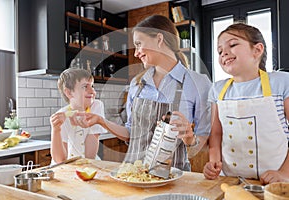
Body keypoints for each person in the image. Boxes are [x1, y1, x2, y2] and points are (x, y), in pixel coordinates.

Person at [72, 15, 211, 171]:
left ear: (159, 39)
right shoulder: (136, 85)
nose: (136, 53)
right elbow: (131, 133)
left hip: (175, 178)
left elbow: (205, 142)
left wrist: (189, 138)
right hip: (135, 174)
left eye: (139, 44)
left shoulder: (198, 83)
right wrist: (101, 121)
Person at [203, 23, 289, 184]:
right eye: (219, 51)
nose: (224, 53)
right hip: (230, 180)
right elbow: (216, 133)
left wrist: (284, 173)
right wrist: (213, 162)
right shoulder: (217, 90)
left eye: (233, 44)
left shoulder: (281, 82)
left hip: (276, 182)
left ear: (257, 50)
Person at [50, 68, 107, 163]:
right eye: (85, 87)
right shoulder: (61, 117)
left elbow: (90, 156)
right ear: (68, 92)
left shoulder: (96, 106)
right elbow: (60, 160)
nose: (92, 91)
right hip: (66, 167)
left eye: (92, 86)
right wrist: (56, 130)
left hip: (88, 164)